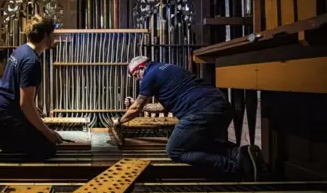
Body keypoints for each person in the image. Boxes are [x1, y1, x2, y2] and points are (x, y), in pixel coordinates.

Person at [115, 56, 268, 181]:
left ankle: (236, 169)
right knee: (198, 144)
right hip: (221, 107)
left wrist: (119, 121)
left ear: (141, 68)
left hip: (200, 112)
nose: (139, 80)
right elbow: (160, 107)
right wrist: (139, 107)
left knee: (174, 151)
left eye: (137, 76)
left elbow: (136, 108)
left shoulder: (149, 76)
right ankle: (239, 154)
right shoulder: (168, 68)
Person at [0, 15, 63, 164]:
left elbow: (19, 95)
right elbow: (25, 104)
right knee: (47, 149)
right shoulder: (31, 62)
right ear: (46, 35)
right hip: (5, 114)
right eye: (52, 34)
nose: (54, 38)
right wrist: (48, 132)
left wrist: (33, 111)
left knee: (34, 133)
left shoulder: (21, 50)